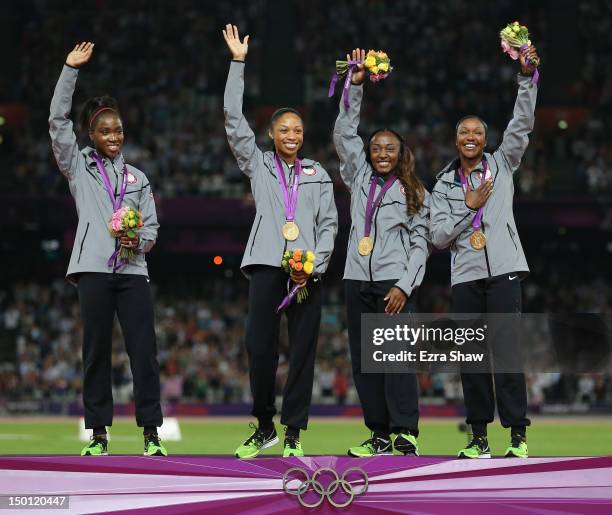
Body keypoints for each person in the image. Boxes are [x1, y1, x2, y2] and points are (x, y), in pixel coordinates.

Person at [222, 25, 338, 458]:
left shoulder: (317, 174)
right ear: (272, 134)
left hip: (306, 270)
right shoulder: (258, 164)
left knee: (303, 353)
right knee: (260, 347)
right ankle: (265, 425)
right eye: (284, 130)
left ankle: (293, 433)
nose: (292, 135)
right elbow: (234, 121)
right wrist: (238, 63)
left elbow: (329, 225)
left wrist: (317, 264)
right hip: (268, 264)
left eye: (298, 130)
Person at [49, 42, 166, 457]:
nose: (114, 136)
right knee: (95, 353)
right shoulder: (78, 168)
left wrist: (141, 241)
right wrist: (70, 71)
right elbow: (56, 120)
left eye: (118, 131)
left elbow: (151, 227)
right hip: (94, 270)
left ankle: (151, 433)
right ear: (91, 135)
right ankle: (99, 434)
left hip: (133, 271)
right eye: (106, 131)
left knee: (143, 354)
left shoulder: (138, 178)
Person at [430, 45, 540, 459]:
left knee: (507, 354)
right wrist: (468, 208)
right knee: (472, 360)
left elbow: (523, 123)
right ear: (456, 141)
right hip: (466, 275)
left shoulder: (503, 163)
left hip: (505, 270)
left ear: (486, 139)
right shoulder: (443, 185)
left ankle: (517, 437)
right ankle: (479, 437)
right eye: (464, 133)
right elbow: (439, 237)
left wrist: (526, 78)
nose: (471, 138)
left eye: (477, 132)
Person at [333, 49, 430, 457]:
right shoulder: (358, 178)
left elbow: (421, 244)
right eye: (376, 148)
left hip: (393, 283)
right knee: (365, 363)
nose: (383, 154)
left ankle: (405, 432)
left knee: (396, 361)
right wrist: (354, 88)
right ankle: (378, 433)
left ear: (400, 152)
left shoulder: (413, 192)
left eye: (390, 148)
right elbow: (344, 133)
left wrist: (405, 287)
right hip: (356, 280)